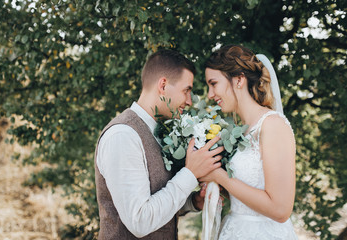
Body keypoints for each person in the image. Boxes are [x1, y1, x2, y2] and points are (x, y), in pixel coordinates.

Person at [94, 49, 224, 239]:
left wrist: (193, 202)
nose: (189, 101)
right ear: (163, 85)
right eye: (186, 90)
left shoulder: (160, 132)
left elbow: (157, 201)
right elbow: (140, 220)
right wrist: (190, 174)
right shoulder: (122, 135)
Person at [202, 45, 298, 239]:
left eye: (214, 84)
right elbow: (247, 193)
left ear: (239, 79)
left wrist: (220, 176)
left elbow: (280, 210)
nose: (210, 95)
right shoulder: (239, 131)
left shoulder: (272, 125)